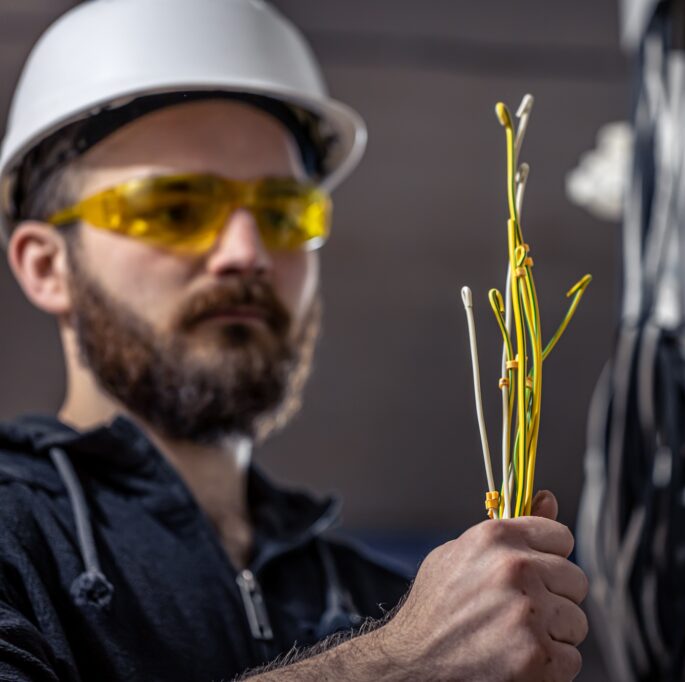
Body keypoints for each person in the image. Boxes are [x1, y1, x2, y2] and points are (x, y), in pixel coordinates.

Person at [0, 1, 588, 680]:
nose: (247, 252)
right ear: (48, 266)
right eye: (176, 208)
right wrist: (397, 662)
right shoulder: (18, 539)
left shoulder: (389, 598)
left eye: (283, 213)